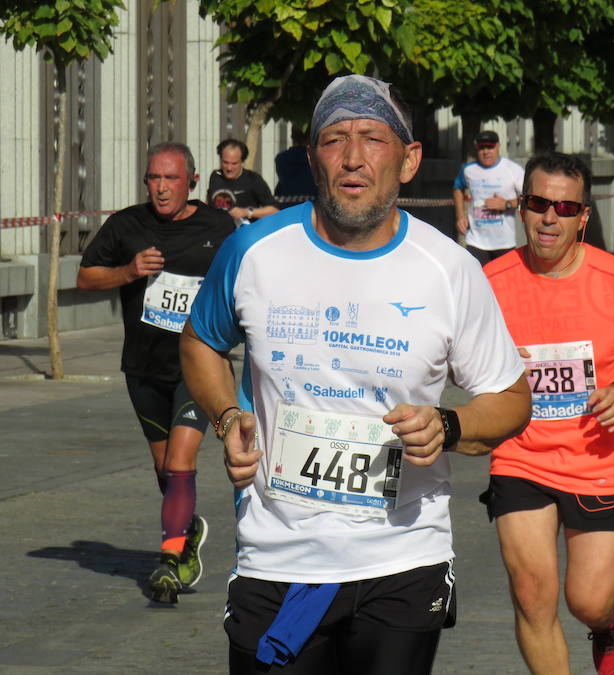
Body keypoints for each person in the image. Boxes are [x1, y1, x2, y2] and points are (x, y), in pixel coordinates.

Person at [180, 74, 532, 674]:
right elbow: (199, 343)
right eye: (333, 139)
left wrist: (448, 423)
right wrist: (229, 416)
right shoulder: (253, 252)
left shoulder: (448, 269)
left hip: (401, 557)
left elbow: (510, 398)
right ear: (311, 156)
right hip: (278, 558)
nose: (352, 157)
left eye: (372, 138)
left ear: (408, 159)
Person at [481, 152, 614, 675]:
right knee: (531, 594)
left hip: (601, 460)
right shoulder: (489, 282)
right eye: (540, 203)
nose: (551, 217)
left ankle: (610, 618)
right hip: (521, 457)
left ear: (583, 216)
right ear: (522, 208)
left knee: (586, 599)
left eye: (565, 207)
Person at [77, 142, 234, 602]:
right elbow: (86, 278)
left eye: (170, 179)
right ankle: (185, 531)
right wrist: (128, 270)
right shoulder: (126, 225)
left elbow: (242, 281)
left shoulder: (218, 228)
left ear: (192, 182)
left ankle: (168, 560)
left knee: (182, 461)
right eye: (153, 179)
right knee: (165, 468)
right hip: (143, 368)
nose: (161, 188)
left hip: (197, 366)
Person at [452, 130, 525, 265]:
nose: (486, 152)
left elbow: (529, 198)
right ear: (476, 148)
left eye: (490, 147)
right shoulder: (468, 169)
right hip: (476, 242)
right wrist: (460, 216)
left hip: (504, 242)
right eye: (482, 148)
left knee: (502, 285)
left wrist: (506, 204)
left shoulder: (513, 170)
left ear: (498, 146)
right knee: (477, 284)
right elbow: (457, 188)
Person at [207, 139, 279, 225]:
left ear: (242, 161)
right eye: (225, 163)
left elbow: (274, 211)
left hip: (244, 233)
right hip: (218, 233)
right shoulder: (215, 176)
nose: (229, 168)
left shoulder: (253, 179)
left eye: (234, 164)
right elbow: (209, 201)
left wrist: (246, 212)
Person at [274, 126, 318, 203]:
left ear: (292, 137)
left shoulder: (280, 158)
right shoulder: (315, 158)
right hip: (312, 204)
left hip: (286, 203)